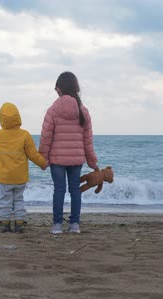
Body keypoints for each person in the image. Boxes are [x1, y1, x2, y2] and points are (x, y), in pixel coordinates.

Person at [39, 72, 99, 234]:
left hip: (57, 160)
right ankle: (74, 225)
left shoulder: (52, 111)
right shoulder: (83, 111)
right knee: (74, 190)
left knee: (59, 190)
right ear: (75, 88)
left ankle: (57, 225)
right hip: (76, 159)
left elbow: (46, 137)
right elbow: (88, 140)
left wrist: (42, 159)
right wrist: (92, 162)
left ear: (59, 89)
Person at [0, 102, 48, 233]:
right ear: (18, 117)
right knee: (19, 199)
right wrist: (43, 163)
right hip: (20, 176)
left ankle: (5, 223)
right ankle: (19, 223)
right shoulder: (25, 135)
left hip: (4, 177)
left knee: (5, 199)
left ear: (1, 119)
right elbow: (33, 154)